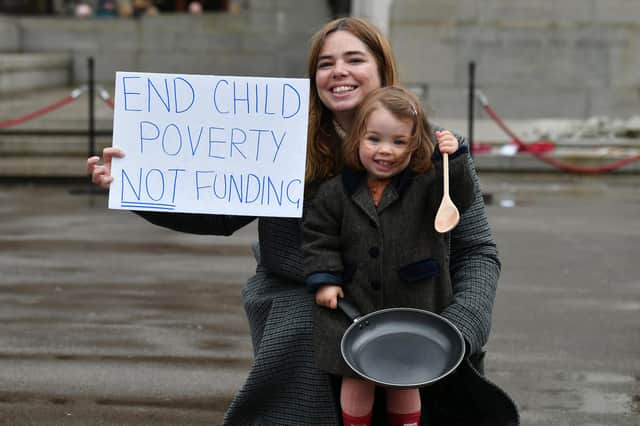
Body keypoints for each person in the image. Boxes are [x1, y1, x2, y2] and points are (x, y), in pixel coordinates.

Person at [87, 17, 519, 425]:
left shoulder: (441, 153)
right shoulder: (282, 146)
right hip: (310, 313)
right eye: (325, 63)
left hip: (413, 316)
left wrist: (460, 329)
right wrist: (135, 186)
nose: (338, 71)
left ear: (382, 70)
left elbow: (476, 251)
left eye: (354, 59)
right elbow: (217, 214)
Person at [303, 86, 475, 426]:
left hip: (412, 300)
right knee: (355, 375)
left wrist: (454, 160)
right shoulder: (336, 190)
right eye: (374, 140)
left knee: (406, 375)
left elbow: (458, 198)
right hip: (353, 304)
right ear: (356, 140)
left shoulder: (428, 183)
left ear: (415, 145)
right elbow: (318, 237)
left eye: (399, 142)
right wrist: (324, 278)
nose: (386, 151)